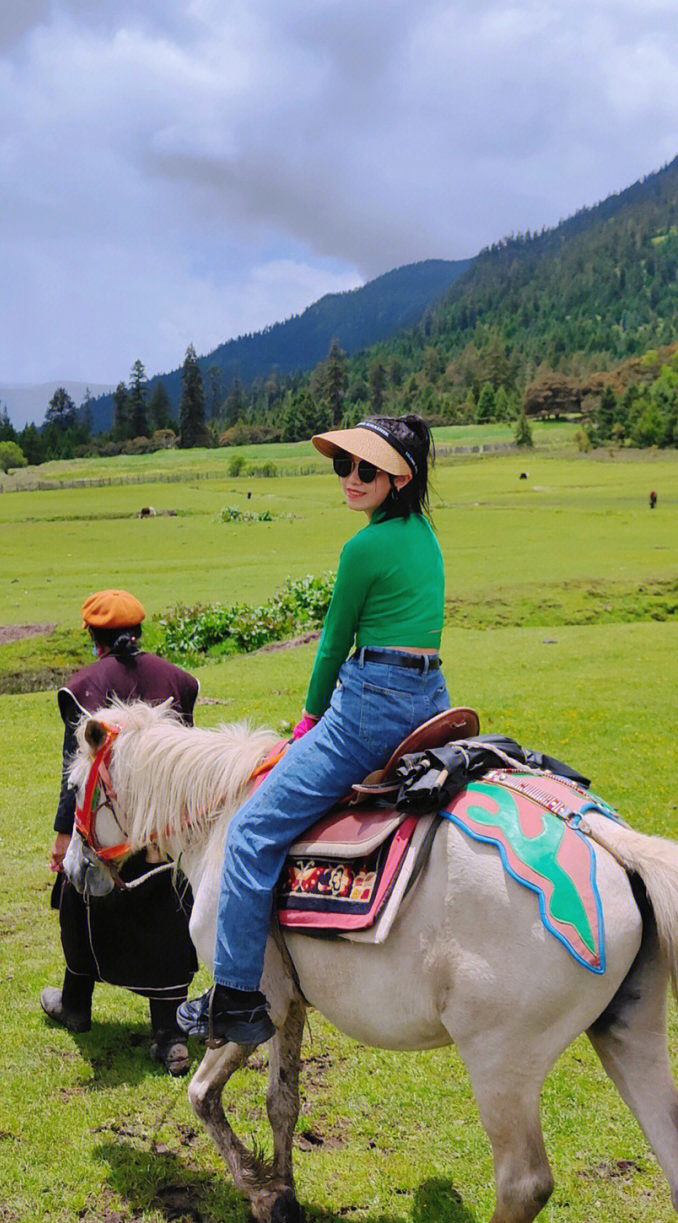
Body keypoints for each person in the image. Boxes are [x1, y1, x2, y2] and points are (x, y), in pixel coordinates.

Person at [179, 414, 449, 1047]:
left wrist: (307, 719)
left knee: (249, 832)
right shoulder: (425, 536)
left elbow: (333, 643)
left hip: (367, 708)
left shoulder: (363, 549)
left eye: (365, 469)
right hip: (428, 696)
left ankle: (238, 997)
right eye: (342, 466)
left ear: (398, 477)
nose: (350, 479)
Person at [42, 589, 201, 1075]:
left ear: (93, 636)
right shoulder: (179, 680)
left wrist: (63, 832)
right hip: (162, 829)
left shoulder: (82, 685)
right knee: (168, 911)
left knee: (77, 898)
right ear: (140, 631)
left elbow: (79, 772)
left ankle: (75, 1004)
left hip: (105, 826)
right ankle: (171, 1034)